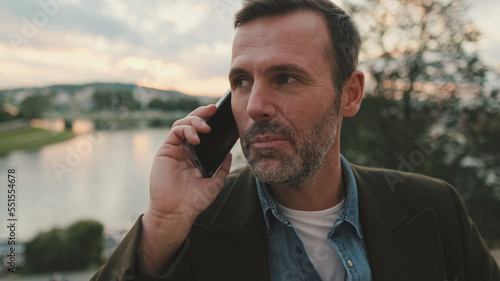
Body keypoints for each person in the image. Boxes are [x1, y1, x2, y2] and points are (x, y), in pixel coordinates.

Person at [91, 0, 500, 280]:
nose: (254, 106)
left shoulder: (433, 208)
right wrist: (162, 225)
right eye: (241, 81)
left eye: (285, 77)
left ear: (350, 93)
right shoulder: (187, 232)